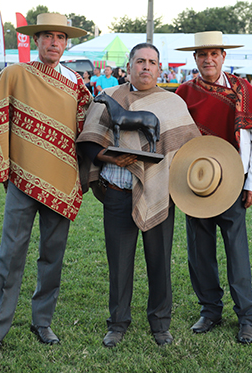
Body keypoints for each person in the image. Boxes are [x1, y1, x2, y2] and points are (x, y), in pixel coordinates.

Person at [0, 13, 91, 361]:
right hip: (22, 181)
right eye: (47, 36)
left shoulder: (77, 85)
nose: (54, 43)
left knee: (52, 258)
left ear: (66, 43)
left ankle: (42, 322)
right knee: (10, 257)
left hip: (61, 182)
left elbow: (86, 131)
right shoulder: (15, 74)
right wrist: (5, 166)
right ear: (36, 41)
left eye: (60, 37)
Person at [78, 43, 200, 348]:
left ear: (159, 69)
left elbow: (188, 151)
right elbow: (90, 142)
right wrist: (109, 157)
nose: (146, 67)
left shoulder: (172, 104)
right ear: (129, 66)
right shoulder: (112, 98)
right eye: (140, 61)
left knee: (160, 261)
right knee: (119, 263)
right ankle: (117, 324)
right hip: (118, 192)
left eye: (152, 62)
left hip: (161, 192)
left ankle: (160, 324)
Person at [175, 31, 252, 344]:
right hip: (196, 182)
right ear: (195, 59)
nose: (208, 60)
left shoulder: (243, 90)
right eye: (202, 55)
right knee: (199, 251)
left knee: (237, 251)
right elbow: (175, 138)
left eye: (214, 54)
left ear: (223, 57)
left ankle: (247, 316)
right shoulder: (184, 92)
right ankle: (210, 310)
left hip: (233, 183)